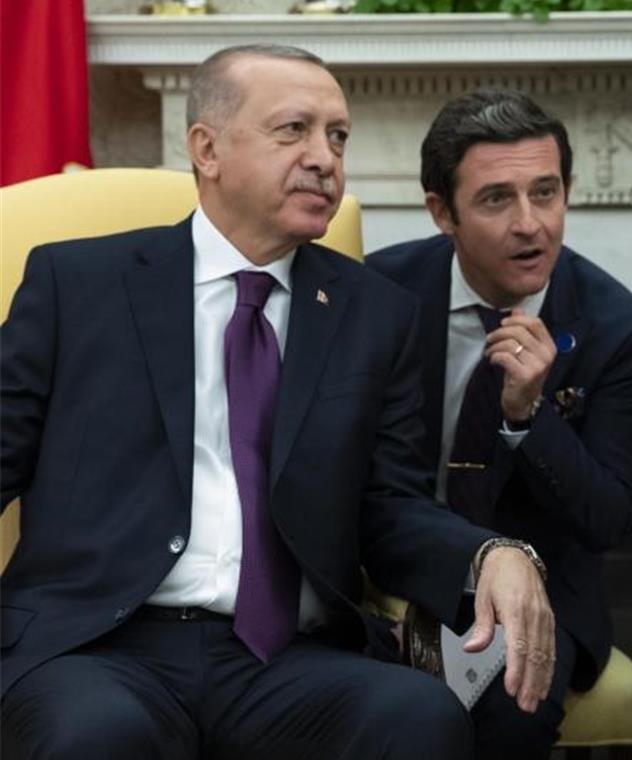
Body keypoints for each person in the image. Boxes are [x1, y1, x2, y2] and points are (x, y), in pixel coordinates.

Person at [0, 45, 556, 760]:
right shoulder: (80, 284)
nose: (324, 157)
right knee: (96, 735)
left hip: (286, 659)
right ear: (207, 148)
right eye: (293, 130)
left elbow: (391, 508)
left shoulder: (374, 314)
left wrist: (492, 555)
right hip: (97, 645)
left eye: (338, 136)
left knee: (419, 717)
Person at [366, 89, 632, 759]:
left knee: (507, 712)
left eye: (546, 193)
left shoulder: (615, 325)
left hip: (539, 588)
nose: (532, 224)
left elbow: (610, 517)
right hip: (392, 565)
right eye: (497, 199)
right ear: (443, 211)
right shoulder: (384, 292)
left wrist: (528, 418)